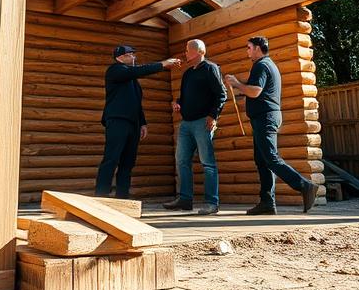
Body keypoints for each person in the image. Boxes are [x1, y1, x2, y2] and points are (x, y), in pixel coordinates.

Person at [225, 36, 318, 215]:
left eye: (249, 48)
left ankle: (305, 186)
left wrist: (237, 84)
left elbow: (255, 91)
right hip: (266, 117)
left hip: (265, 118)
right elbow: (256, 91)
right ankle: (267, 202)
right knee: (262, 161)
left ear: (258, 48)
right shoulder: (268, 64)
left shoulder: (261, 65)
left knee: (270, 158)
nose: (247, 51)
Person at [96, 45, 180, 199]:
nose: (134, 58)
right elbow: (139, 70)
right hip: (117, 121)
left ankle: (122, 197)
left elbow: (136, 103)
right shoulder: (115, 70)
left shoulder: (132, 80)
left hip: (133, 124)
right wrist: (163, 64)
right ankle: (101, 195)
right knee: (111, 158)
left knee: (128, 162)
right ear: (120, 57)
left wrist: (142, 123)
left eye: (134, 55)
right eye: (130, 55)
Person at [163, 39, 228, 215]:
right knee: (182, 160)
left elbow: (222, 94)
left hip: (203, 122)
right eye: (186, 50)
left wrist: (213, 116)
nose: (185, 53)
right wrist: (177, 103)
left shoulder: (210, 68)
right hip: (186, 123)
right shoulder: (187, 74)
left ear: (200, 52)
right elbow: (183, 98)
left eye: (188, 50)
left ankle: (211, 203)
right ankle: (185, 199)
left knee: (207, 163)